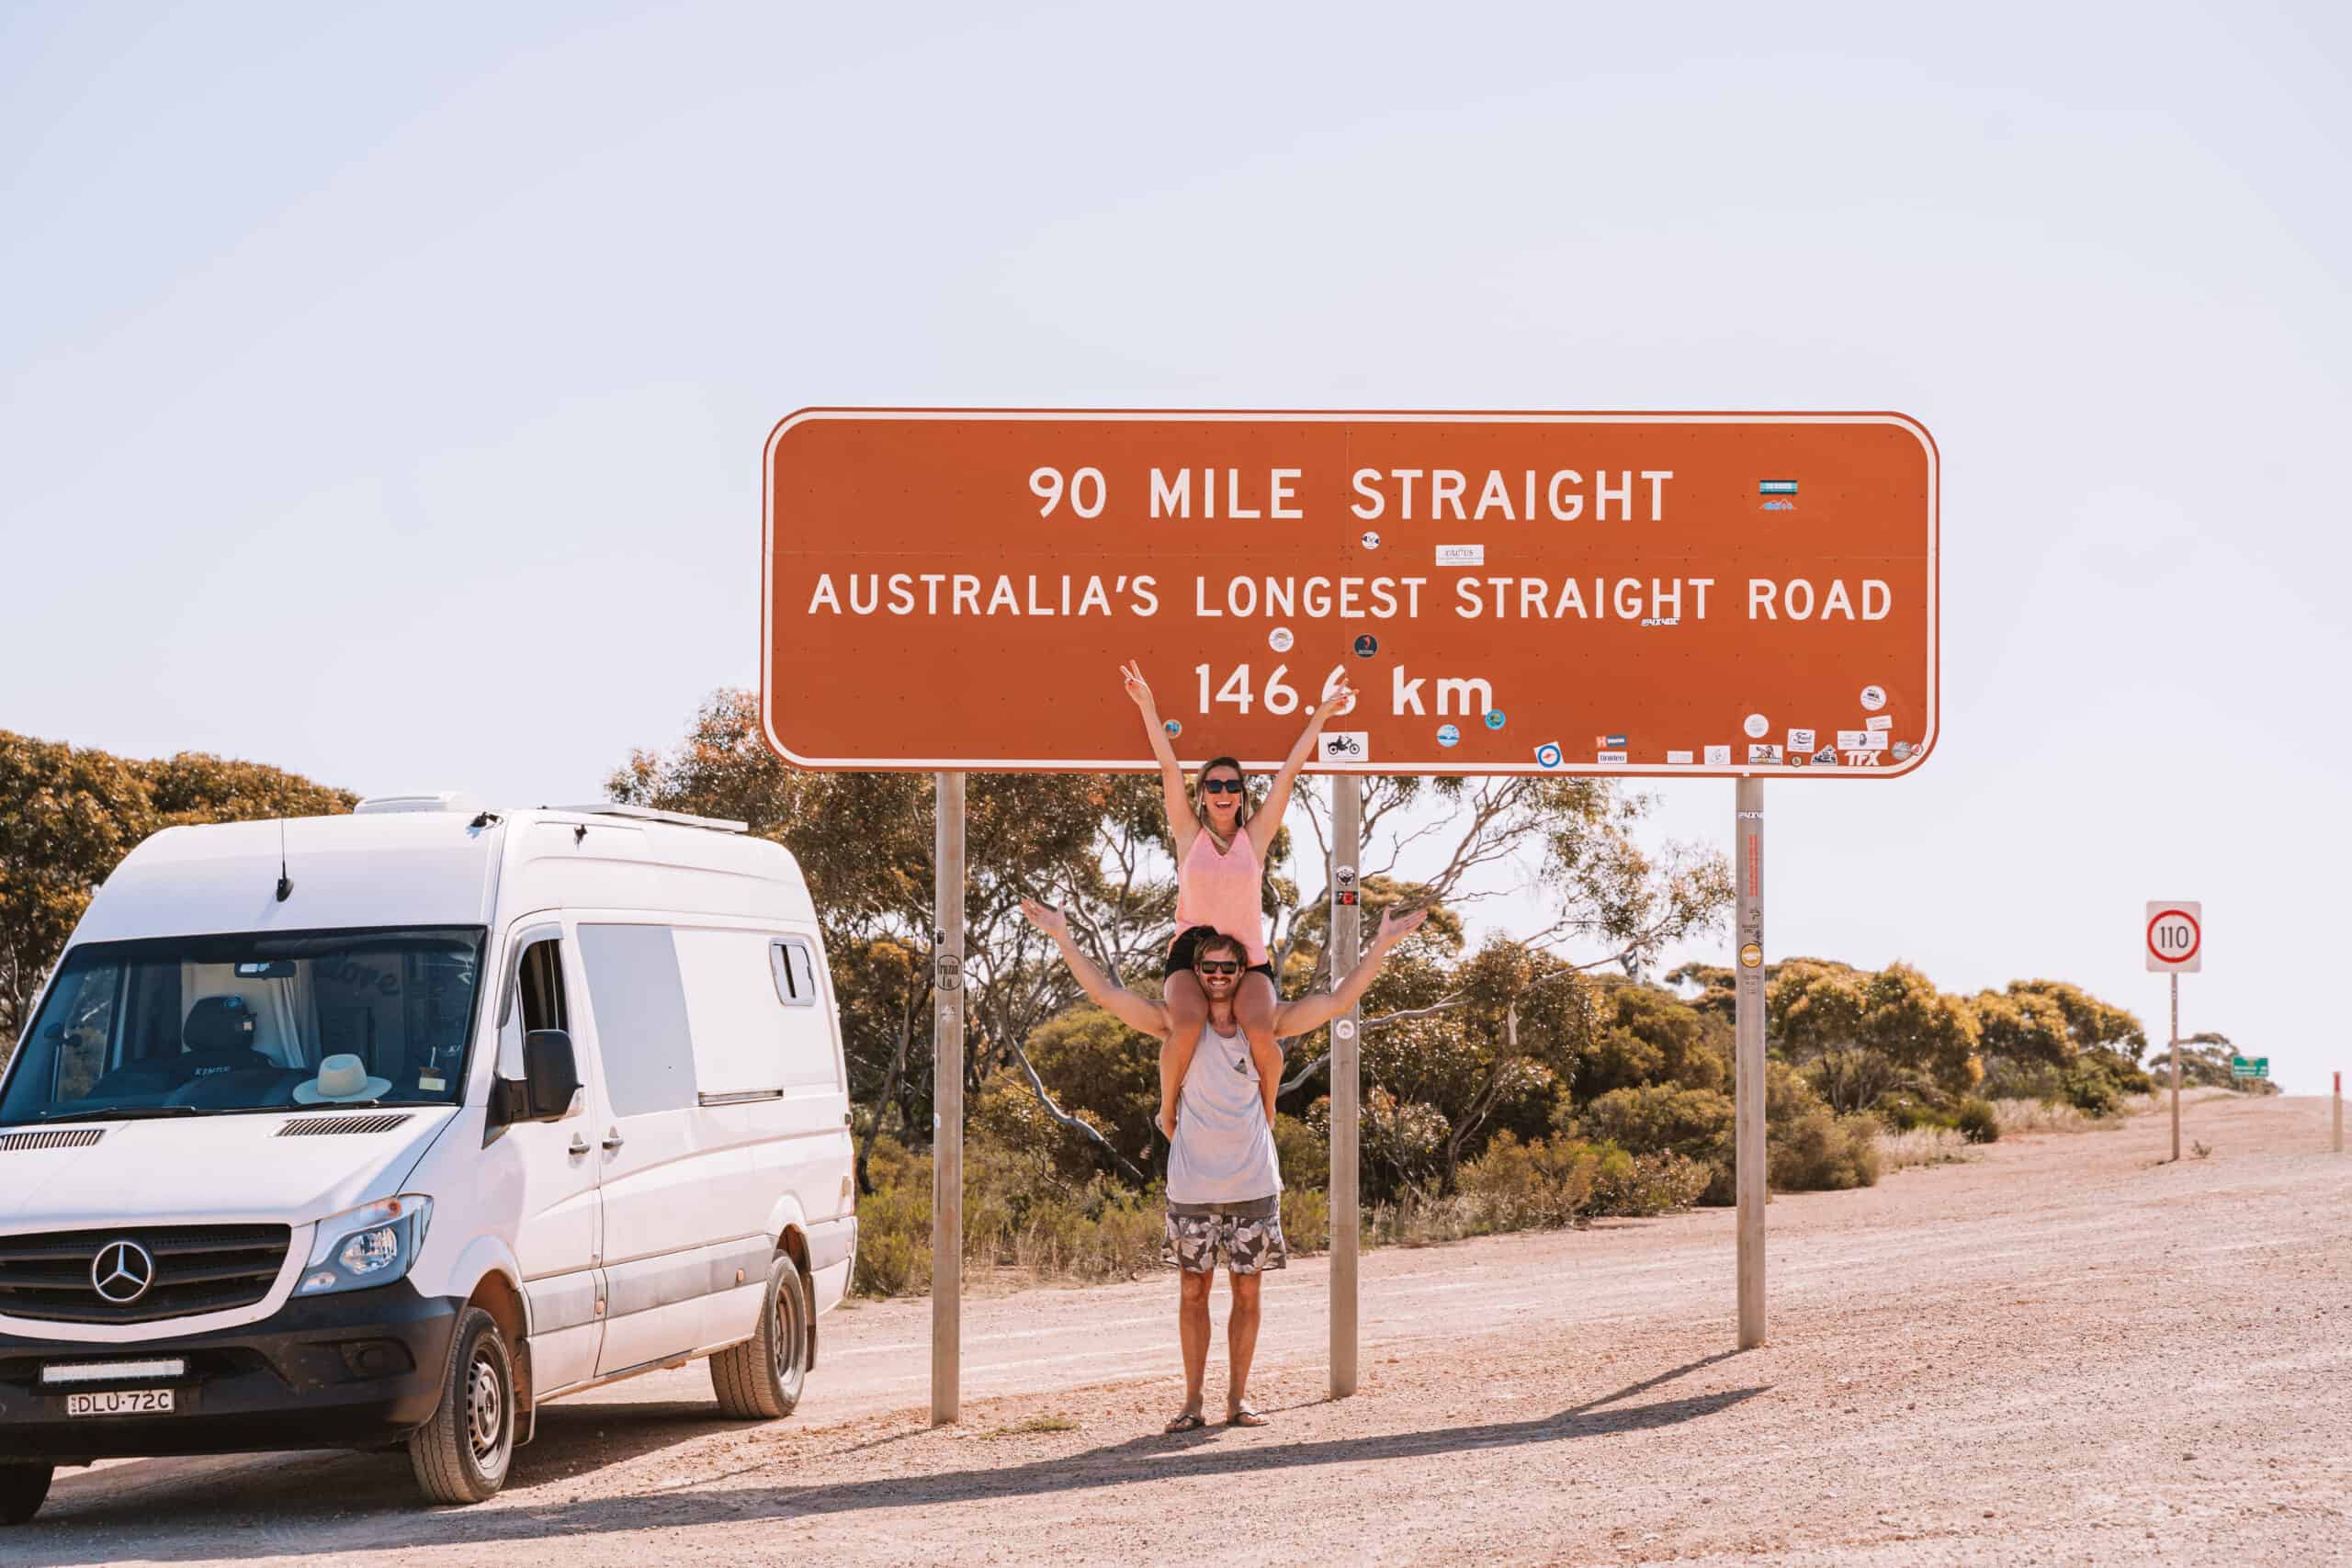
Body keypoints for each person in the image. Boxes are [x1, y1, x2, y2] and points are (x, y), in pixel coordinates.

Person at [1021, 897, 1428, 1431]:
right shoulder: (1175, 1027)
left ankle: (1238, 1400)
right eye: (1208, 968)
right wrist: (1061, 935)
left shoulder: (1268, 1026)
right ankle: (1193, 1403)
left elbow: (1336, 1000)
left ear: (1242, 975)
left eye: (1228, 969)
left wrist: (1382, 945)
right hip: (1193, 1186)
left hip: (1254, 1183)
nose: (1217, 976)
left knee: (1247, 1292)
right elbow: (1105, 994)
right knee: (1192, 1290)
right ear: (1197, 973)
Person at [1118, 660, 1357, 1140]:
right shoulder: (1190, 837)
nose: (1223, 792)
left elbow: (1290, 774)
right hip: (1190, 955)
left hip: (1247, 958)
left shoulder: (1255, 839)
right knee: (1184, 1028)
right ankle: (1168, 1111)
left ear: (1241, 794)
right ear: (1203, 795)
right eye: (1214, 785)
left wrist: (1322, 716)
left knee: (1263, 1032)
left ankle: (1266, 1111)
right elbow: (1168, 767)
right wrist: (1147, 704)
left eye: (1232, 785)